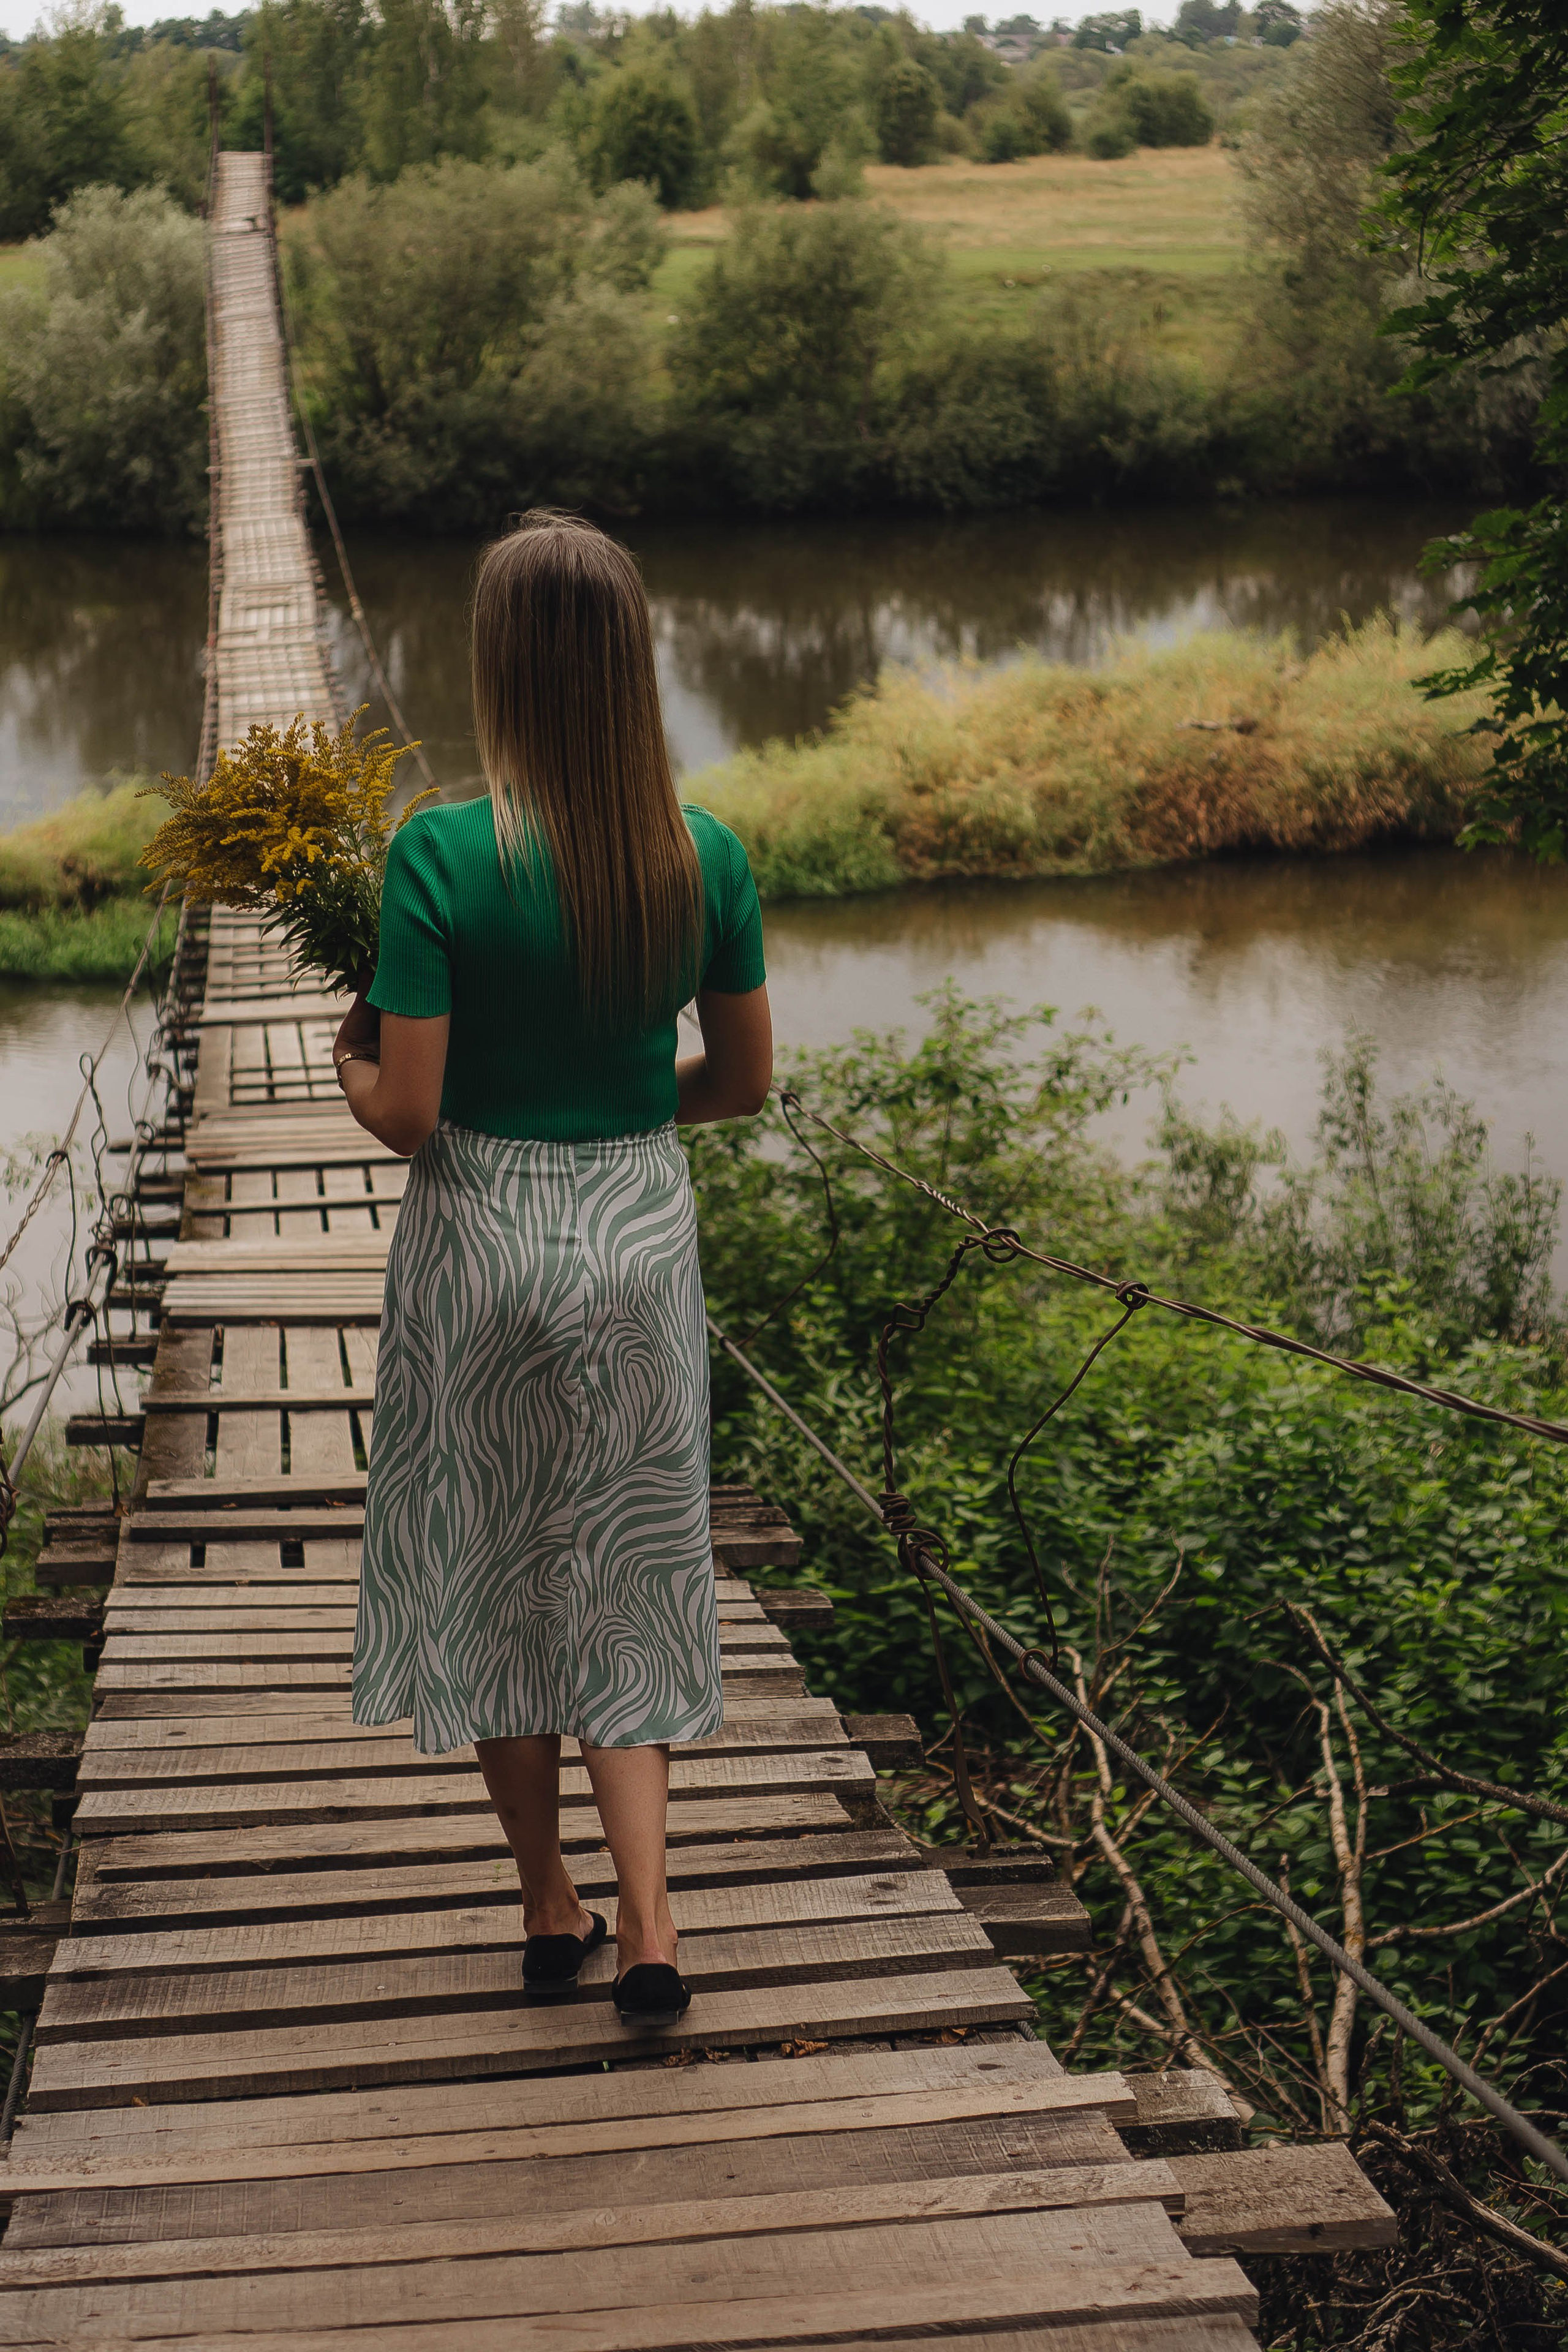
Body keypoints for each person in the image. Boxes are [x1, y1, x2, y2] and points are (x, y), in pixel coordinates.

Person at [331, 511, 772, 2029]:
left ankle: (545, 1901)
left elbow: (408, 1113)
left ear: (497, 665)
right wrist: (630, 1113)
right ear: (633, 661)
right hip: (636, 1242)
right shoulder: (702, 853)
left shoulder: (439, 852)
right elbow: (741, 1082)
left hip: (480, 1246)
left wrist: (347, 1065)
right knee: (628, 1575)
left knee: (491, 1575)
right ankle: (651, 1924)